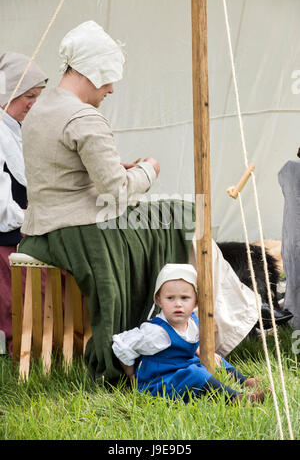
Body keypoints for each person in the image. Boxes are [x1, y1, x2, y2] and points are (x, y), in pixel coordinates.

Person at [18, 21, 259, 383]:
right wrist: (148, 170)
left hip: (45, 224)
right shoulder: (84, 117)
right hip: (83, 227)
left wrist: (117, 169)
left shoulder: (42, 108)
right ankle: (202, 329)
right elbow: (115, 192)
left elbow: (63, 172)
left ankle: (207, 326)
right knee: (182, 218)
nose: (111, 88)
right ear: (94, 70)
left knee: (178, 216)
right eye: (109, 79)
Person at [112, 264, 266, 404]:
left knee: (215, 357)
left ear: (196, 302)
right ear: (159, 300)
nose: (178, 304)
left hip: (183, 364)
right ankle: (235, 399)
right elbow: (122, 344)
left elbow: (190, 341)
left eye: (184, 298)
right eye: (170, 298)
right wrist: (132, 376)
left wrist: (202, 351)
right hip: (162, 380)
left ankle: (244, 381)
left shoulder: (192, 320)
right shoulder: (156, 332)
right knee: (195, 374)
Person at [0, 52, 48, 353]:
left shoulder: (13, 128)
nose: (32, 104)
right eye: (28, 95)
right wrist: (28, 216)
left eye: (37, 96)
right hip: (6, 244)